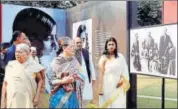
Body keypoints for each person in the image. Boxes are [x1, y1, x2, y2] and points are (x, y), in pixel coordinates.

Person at [1, 43, 43, 108]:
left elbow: (40, 80)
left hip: (28, 99)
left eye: (20, 52)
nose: (17, 54)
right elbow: (5, 84)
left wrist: (37, 96)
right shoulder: (10, 65)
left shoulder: (34, 66)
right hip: (12, 100)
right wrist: (2, 101)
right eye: (16, 52)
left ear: (27, 53)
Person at [49, 37, 85, 108]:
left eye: (74, 47)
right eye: (71, 46)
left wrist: (75, 78)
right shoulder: (56, 62)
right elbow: (51, 81)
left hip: (73, 96)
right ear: (64, 48)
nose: (73, 49)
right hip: (59, 97)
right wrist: (62, 81)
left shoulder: (74, 60)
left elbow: (82, 76)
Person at [98, 37, 130, 108]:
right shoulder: (103, 58)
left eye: (113, 44)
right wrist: (100, 89)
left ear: (115, 46)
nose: (111, 46)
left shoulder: (120, 57)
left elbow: (125, 71)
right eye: (109, 44)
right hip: (106, 87)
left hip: (118, 86)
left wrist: (122, 80)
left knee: (118, 104)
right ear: (106, 46)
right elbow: (101, 74)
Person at [74, 36, 96, 107]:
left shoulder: (86, 52)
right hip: (76, 81)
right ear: (74, 43)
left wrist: (93, 78)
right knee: (77, 101)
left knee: (86, 99)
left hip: (86, 79)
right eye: (77, 43)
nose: (79, 44)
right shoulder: (72, 53)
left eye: (80, 42)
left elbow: (91, 65)